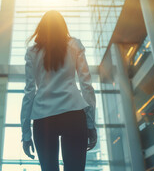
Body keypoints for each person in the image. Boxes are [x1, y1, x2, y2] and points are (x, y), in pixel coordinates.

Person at [20, 10, 97, 171]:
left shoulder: (32, 52)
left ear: (41, 29)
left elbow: (29, 93)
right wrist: (90, 123)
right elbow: (86, 86)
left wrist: (26, 134)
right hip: (74, 114)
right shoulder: (74, 45)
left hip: (43, 118)